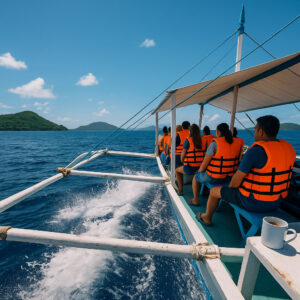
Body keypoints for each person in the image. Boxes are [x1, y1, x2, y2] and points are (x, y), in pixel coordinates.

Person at [196, 115, 296, 226]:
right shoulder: (289, 149)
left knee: (214, 191)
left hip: (253, 202)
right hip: (277, 201)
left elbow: (234, 183)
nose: (254, 133)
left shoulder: (256, 151)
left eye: (255, 129)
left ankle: (206, 217)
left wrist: (226, 192)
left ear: (261, 132)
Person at [190, 123, 243, 205]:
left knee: (196, 177)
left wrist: (199, 172)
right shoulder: (238, 143)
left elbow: (204, 164)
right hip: (230, 176)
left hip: (215, 177)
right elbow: (239, 160)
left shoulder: (215, 144)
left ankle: (195, 200)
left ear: (218, 132)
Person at [175, 124, 205, 196]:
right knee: (196, 173)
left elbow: (182, 157)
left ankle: (180, 190)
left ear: (190, 131)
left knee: (177, 170)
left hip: (190, 168)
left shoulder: (188, 140)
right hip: (201, 167)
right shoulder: (203, 139)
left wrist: (184, 162)